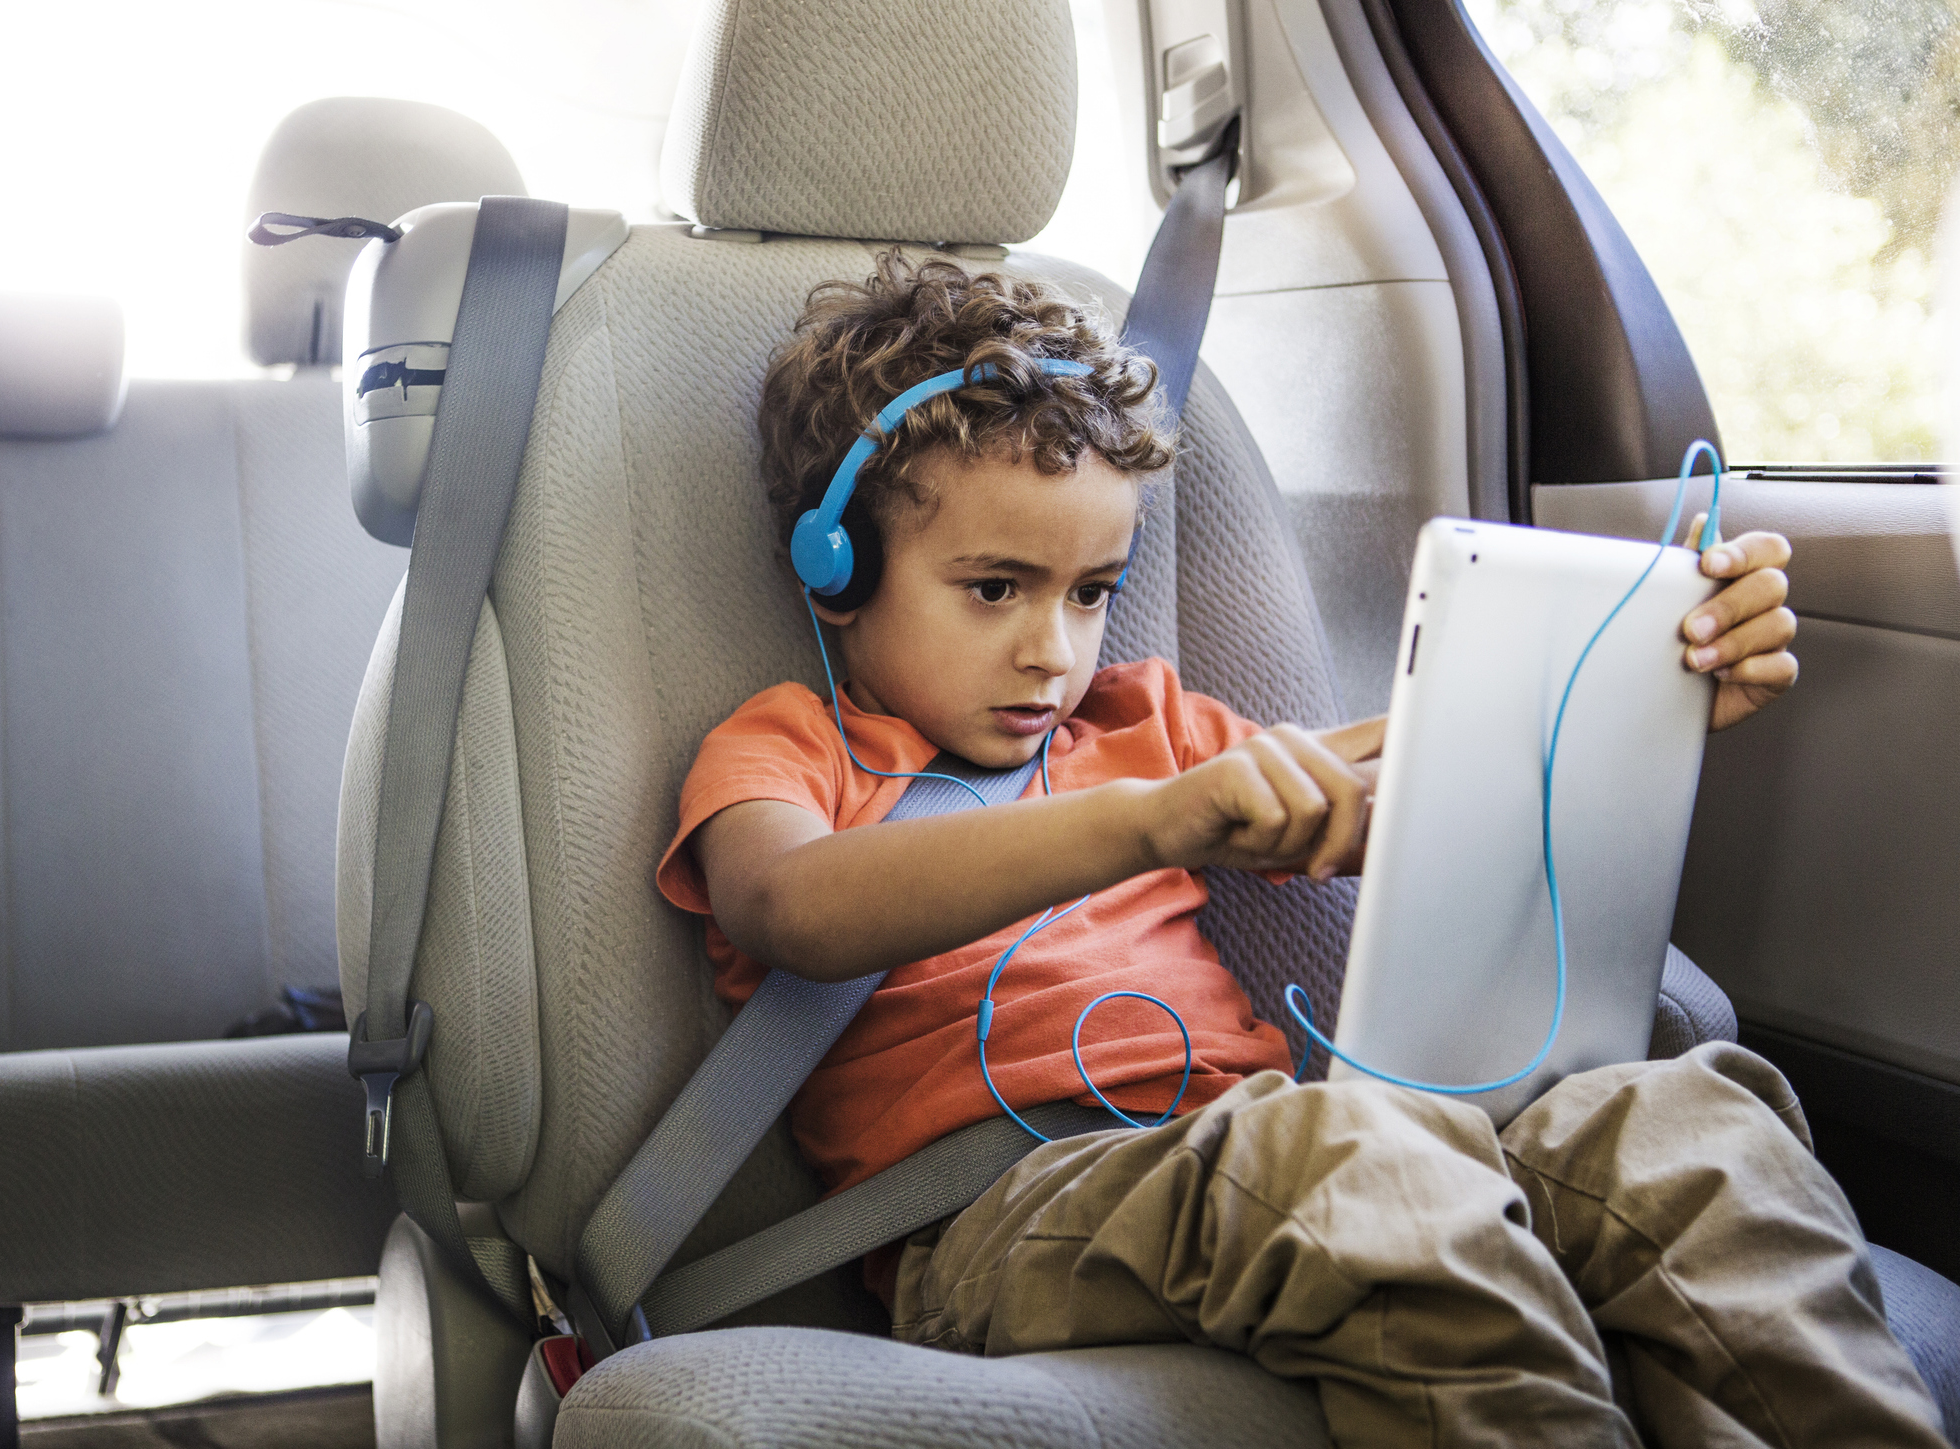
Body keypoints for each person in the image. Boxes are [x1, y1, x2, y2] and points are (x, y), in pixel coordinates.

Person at [655, 253, 1944, 1447]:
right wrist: (1148, 820)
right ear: (838, 566)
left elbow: (1396, 790)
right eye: (996, 589)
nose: (1055, 649)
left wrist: (1641, 699)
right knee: (1352, 1154)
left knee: (1680, 1125)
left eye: (1092, 592)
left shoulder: (1142, 721)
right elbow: (789, 907)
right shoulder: (793, 746)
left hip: (1293, 1148)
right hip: (1005, 1217)